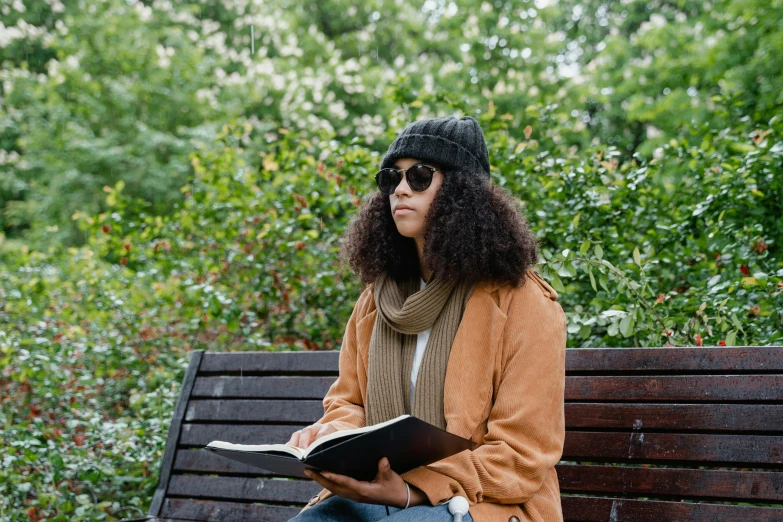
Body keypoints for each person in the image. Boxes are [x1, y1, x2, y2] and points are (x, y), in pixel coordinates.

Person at [286, 115, 567, 522]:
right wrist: (332, 433)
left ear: (461, 191)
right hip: (377, 494)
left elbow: (522, 453)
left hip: (483, 504)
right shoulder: (375, 301)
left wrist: (413, 489)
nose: (400, 189)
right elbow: (349, 402)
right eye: (391, 178)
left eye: (419, 176)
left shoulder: (522, 303)